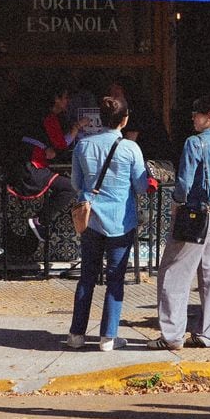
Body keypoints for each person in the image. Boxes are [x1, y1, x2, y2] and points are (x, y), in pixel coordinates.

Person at [151, 94, 210, 351]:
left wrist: (178, 201)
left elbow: (183, 183)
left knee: (173, 273)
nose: (193, 117)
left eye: (197, 113)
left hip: (194, 213)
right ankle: (208, 335)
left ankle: (172, 335)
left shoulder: (194, 143)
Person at [66, 96, 151, 351]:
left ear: (99, 119)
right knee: (115, 279)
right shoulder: (131, 149)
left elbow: (76, 184)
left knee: (86, 279)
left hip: (90, 220)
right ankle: (108, 337)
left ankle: (76, 335)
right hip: (120, 222)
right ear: (124, 120)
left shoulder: (83, 146)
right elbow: (140, 186)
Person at [9, 84, 79, 244]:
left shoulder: (37, 116)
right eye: (65, 97)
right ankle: (40, 220)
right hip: (31, 169)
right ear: (56, 99)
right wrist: (77, 128)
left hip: (23, 167)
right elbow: (61, 144)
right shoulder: (49, 118)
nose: (68, 101)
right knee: (70, 187)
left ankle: (37, 224)